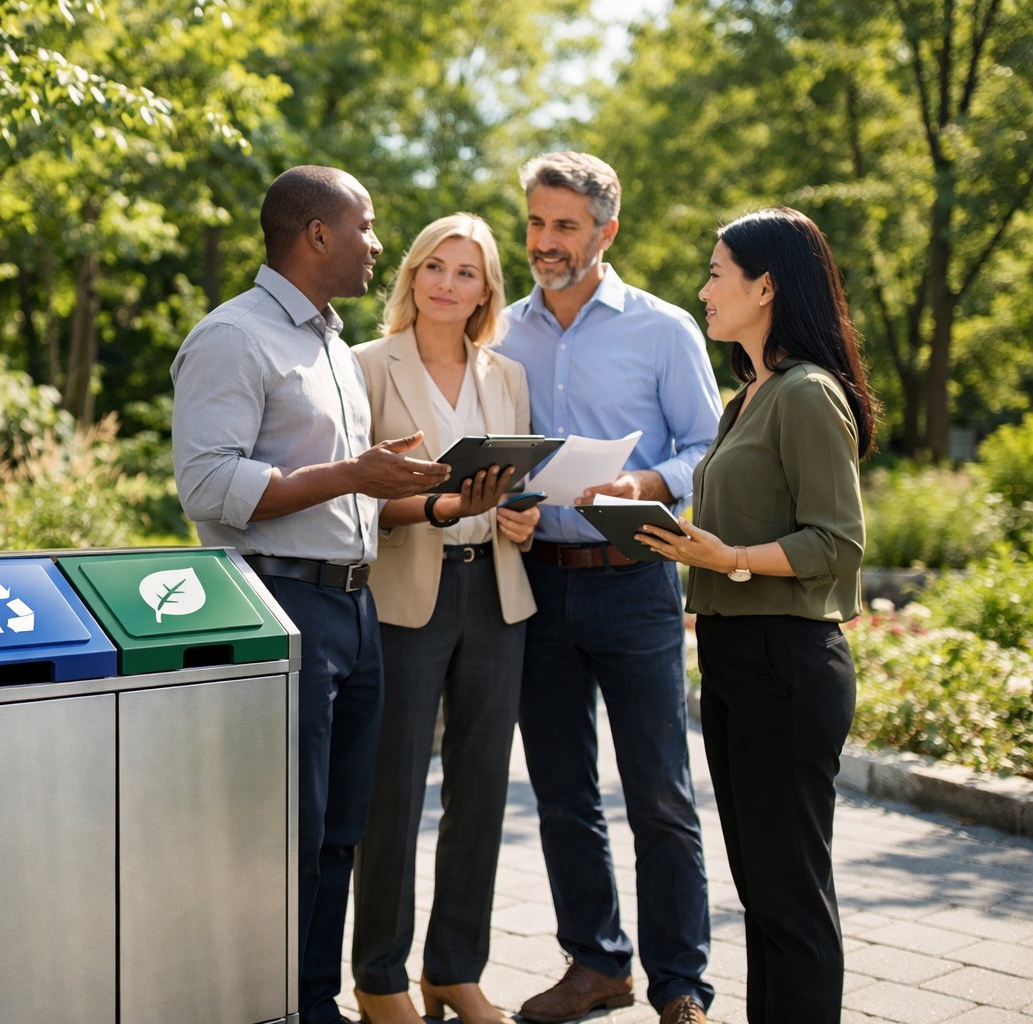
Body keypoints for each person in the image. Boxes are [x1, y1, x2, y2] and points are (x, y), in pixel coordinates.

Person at [170, 165, 451, 1024]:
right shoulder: (234, 336)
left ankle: (310, 1002)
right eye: (365, 226)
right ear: (317, 234)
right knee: (287, 832)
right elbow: (208, 484)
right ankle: (264, 1004)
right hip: (279, 605)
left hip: (355, 610)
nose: (378, 244)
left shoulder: (329, 341)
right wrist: (350, 473)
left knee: (337, 831)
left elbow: (344, 487)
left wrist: (426, 491)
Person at [494, 151, 721, 1024]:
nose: (545, 242)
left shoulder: (664, 330)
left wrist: (643, 485)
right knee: (561, 792)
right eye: (536, 222)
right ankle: (596, 964)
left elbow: (708, 451)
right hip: (538, 586)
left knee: (660, 791)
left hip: (634, 586)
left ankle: (680, 984)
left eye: (565, 226)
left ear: (606, 232)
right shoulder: (501, 332)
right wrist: (504, 510)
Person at [636, 207, 873, 1024]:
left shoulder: (806, 393)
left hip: (787, 660)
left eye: (715, 273)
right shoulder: (750, 398)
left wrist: (724, 557)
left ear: (764, 285)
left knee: (792, 900)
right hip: (741, 657)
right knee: (766, 897)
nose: (703, 290)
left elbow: (836, 542)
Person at [348, 213, 541, 1024]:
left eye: (465, 273)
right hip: (404, 596)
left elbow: (518, 481)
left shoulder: (508, 376)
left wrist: (519, 519)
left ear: (485, 291)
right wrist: (433, 503)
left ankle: (454, 973)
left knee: (480, 791)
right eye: (434, 266)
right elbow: (354, 494)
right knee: (390, 793)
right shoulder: (362, 367)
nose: (446, 284)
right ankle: (379, 979)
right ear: (412, 277)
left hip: (494, 594)